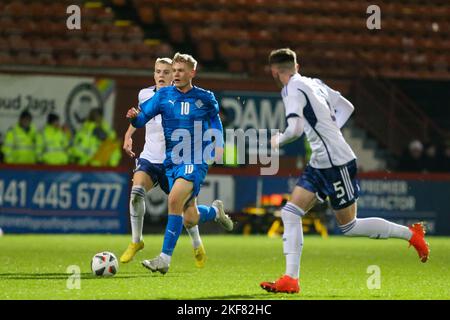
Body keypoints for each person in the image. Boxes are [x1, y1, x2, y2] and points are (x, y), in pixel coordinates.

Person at [260, 48, 429, 294]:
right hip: (320, 162)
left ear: (274, 71)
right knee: (290, 212)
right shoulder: (314, 83)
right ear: (297, 65)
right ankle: (290, 279)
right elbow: (347, 107)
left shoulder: (291, 89)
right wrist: (331, 131)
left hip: (336, 163)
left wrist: (278, 140)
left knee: (349, 227)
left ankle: (411, 234)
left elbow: (295, 129)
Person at [127, 53, 233, 274]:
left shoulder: (205, 97)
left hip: (195, 159)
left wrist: (219, 143)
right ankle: (215, 211)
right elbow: (142, 118)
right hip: (172, 162)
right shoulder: (163, 96)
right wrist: (133, 118)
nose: (175, 74)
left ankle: (164, 258)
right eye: (173, 70)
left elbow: (215, 121)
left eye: (180, 70)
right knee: (189, 217)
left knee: (173, 200)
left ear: (192, 73)